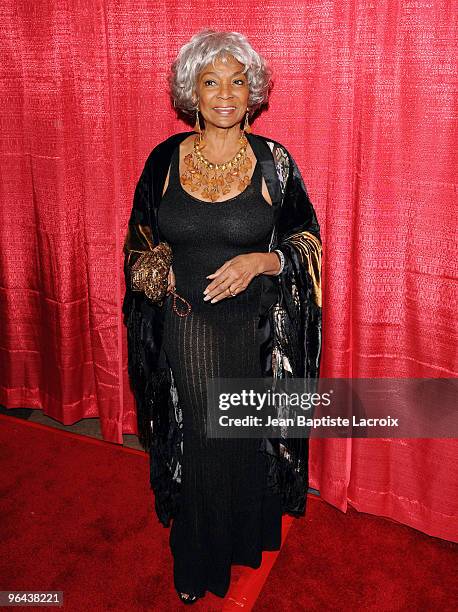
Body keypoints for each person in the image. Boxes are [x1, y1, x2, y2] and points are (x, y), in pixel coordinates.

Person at [122, 29, 322, 605]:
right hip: (184, 324)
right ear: (193, 92)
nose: (226, 93)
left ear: (253, 91)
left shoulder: (274, 162)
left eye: (238, 81)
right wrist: (152, 271)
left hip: (258, 331)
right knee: (205, 439)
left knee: (242, 439)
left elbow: (308, 238)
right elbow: (137, 237)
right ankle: (197, 558)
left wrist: (264, 260)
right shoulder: (164, 158)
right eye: (211, 81)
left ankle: (240, 540)